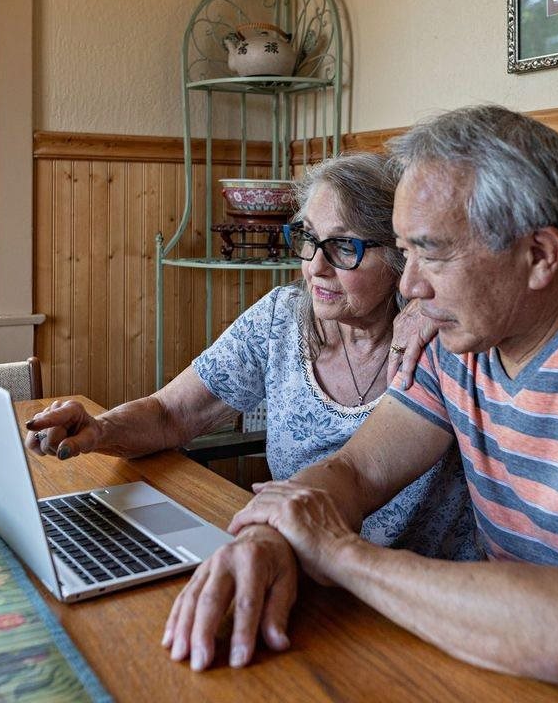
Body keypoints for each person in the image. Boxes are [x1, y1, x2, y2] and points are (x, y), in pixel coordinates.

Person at [162, 106, 558, 702]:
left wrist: (338, 553)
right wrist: (269, 543)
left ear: (539, 256)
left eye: (432, 253)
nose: (409, 287)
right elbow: (355, 472)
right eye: (405, 252)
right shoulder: (460, 342)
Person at [25, 152, 480, 563]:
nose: (315, 267)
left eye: (344, 247)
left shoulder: (438, 338)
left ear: (403, 256)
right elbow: (170, 413)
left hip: (419, 591)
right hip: (301, 566)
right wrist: (101, 428)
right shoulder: (280, 320)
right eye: (308, 239)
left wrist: (433, 303)